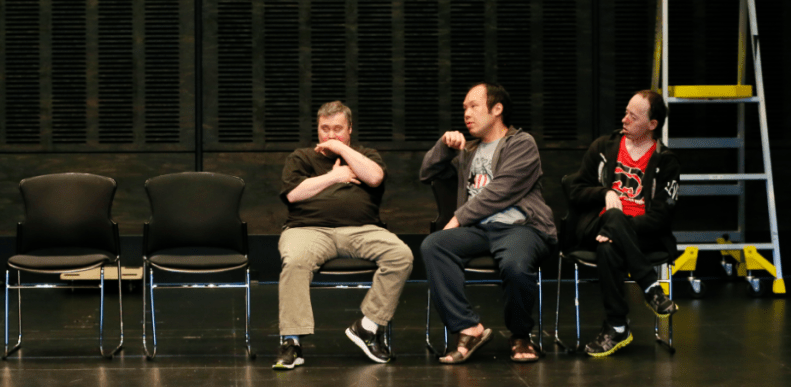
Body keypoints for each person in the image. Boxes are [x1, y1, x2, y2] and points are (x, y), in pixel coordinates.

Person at [419, 82, 556, 364]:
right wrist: (444, 147)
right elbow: (426, 172)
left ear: (497, 109)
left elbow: (501, 190)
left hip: (521, 226)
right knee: (434, 245)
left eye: (474, 106)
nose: (467, 113)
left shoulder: (521, 143)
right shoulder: (467, 151)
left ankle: (520, 335)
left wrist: (458, 218)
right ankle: (468, 328)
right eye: (464, 108)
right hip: (479, 230)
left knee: (516, 266)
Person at [273, 101, 413, 370]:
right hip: (307, 229)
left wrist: (340, 149)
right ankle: (292, 342)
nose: (330, 134)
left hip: (362, 229)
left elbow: (374, 177)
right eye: (325, 129)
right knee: (295, 261)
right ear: (317, 129)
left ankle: (367, 326)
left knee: (401, 255)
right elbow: (293, 194)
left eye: (338, 129)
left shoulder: (366, 154)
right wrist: (335, 176)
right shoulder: (301, 157)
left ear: (350, 129)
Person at [566, 89, 679, 358]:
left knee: (610, 245)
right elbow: (575, 190)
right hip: (595, 226)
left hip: (641, 234)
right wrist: (605, 193)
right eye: (626, 112)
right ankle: (651, 287)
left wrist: (619, 229)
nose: (624, 119)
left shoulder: (666, 161)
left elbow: (662, 216)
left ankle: (617, 327)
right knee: (613, 216)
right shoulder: (604, 147)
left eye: (633, 116)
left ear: (652, 125)